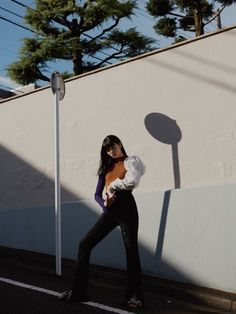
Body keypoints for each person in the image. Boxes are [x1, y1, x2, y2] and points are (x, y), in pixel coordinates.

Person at [59, 135, 145, 309]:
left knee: (131, 252)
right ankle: (79, 292)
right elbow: (97, 194)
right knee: (84, 244)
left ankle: (135, 297)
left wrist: (113, 186)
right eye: (107, 150)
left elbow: (132, 182)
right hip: (111, 211)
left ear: (119, 144)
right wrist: (105, 206)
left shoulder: (130, 162)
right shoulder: (106, 168)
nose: (111, 152)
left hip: (127, 209)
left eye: (112, 147)